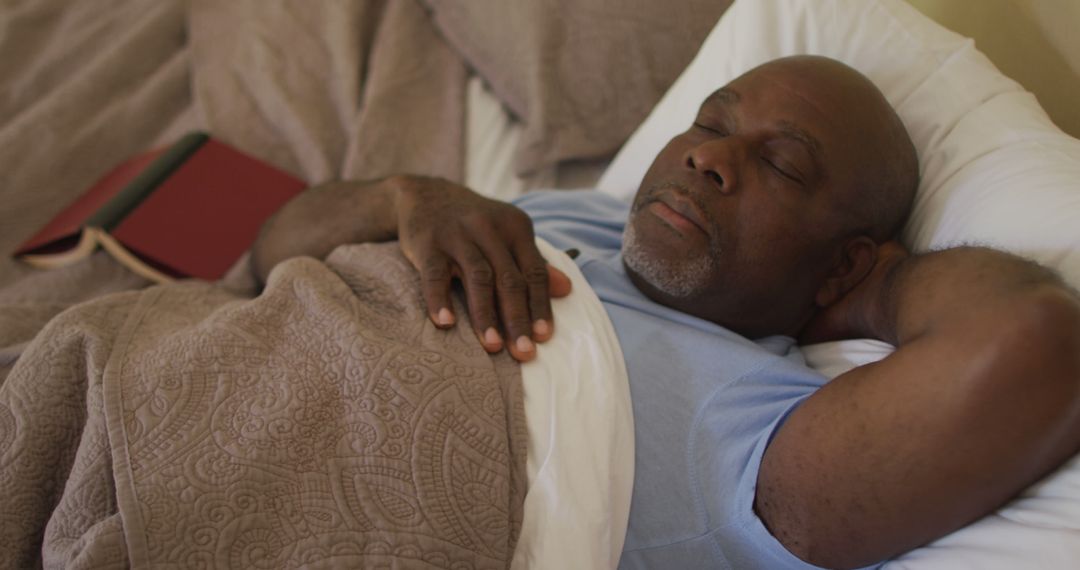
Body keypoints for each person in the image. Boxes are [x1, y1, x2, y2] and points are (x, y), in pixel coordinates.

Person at [251, 55, 1080, 569]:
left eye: (782, 165)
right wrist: (404, 197)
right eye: (711, 123)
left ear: (844, 261)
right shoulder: (565, 220)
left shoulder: (740, 432)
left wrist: (870, 288)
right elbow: (270, 249)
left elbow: (1036, 344)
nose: (708, 156)